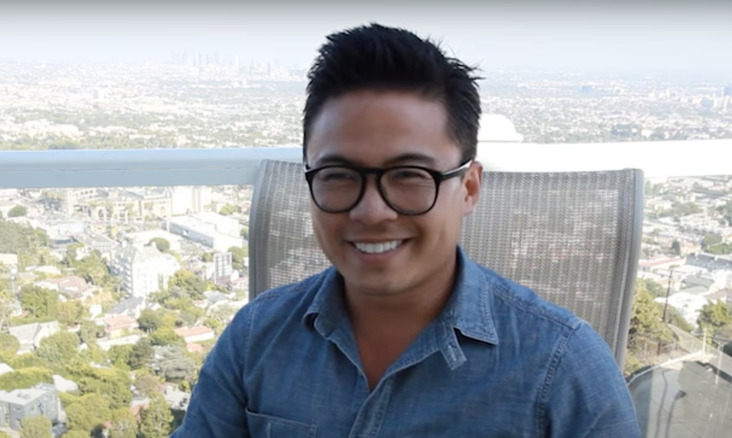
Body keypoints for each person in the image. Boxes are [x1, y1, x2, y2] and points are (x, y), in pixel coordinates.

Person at [172, 23, 641, 437]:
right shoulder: (257, 339)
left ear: (470, 187)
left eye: (410, 176)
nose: (372, 211)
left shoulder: (561, 369)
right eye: (339, 175)